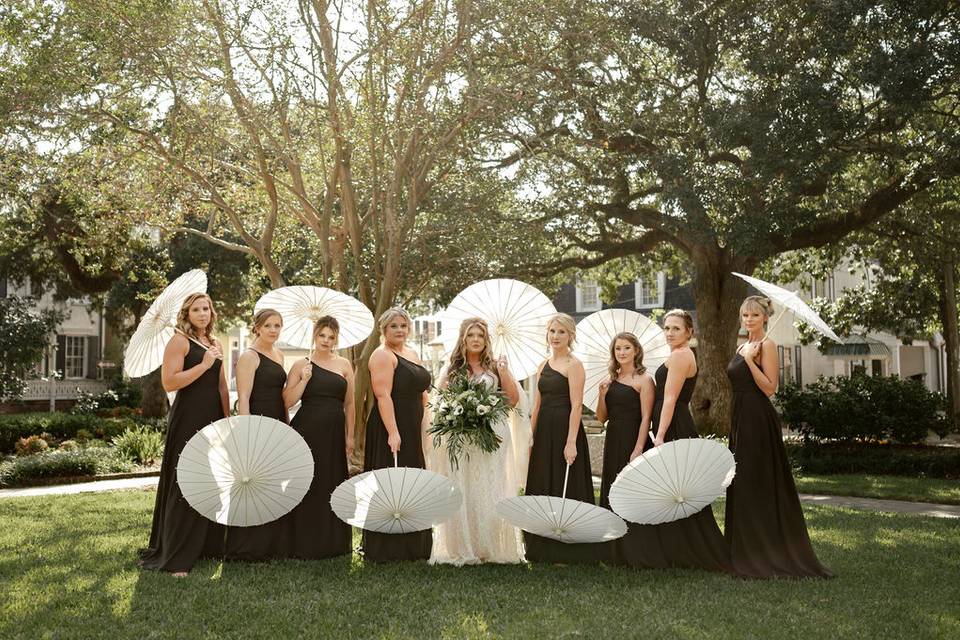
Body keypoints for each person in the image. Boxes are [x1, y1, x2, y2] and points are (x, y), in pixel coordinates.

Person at [725, 296, 833, 578]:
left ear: (765, 318)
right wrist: (745, 356)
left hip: (757, 419)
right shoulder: (742, 345)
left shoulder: (767, 346)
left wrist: (750, 362)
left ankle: (765, 553)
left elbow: (770, 388)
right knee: (741, 481)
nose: (748, 319)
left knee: (756, 480)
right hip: (739, 417)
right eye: (744, 315)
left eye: (754, 315)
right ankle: (742, 550)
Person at [139, 293, 228, 576]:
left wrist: (226, 420)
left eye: (206, 308)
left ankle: (206, 547)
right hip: (188, 417)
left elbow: (222, 386)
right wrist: (202, 366)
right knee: (185, 482)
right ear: (187, 314)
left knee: (210, 482)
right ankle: (177, 557)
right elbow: (169, 381)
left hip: (213, 418)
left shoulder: (214, 343)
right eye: (196, 309)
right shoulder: (179, 341)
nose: (202, 313)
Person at [641, 309, 732, 573]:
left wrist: (659, 436)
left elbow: (670, 399)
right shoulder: (676, 354)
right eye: (666, 327)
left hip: (674, 425)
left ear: (689, 332)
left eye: (676, 328)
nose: (669, 332)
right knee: (673, 488)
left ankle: (693, 550)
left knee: (680, 488)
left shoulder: (681, 355)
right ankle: (674, 547)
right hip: (668, 421)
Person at [429, 318, 525, 565]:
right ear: (463, 338)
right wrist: (455, 411)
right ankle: (463, 544)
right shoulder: (452, 370)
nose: (475, 339)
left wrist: (503, 372)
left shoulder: (495, 367)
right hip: (461, 437)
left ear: (486, 340)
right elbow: (438, 403)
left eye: (480, 335)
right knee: (464, 487)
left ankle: (489, 546)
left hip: (492, 435)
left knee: (490, 487)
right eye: (471, 335)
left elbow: (512, 400)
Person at [524, 313, 599, 564]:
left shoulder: (574, 365)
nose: (555, 336)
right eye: (552, 331)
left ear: (570, 336)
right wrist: (530, 437)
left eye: (561, 332)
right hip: (544, 431)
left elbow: (577, 406)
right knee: (542, 481)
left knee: (565, 486)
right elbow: (537, 404)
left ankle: (569, 550)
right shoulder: (542, 364)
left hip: (565, 430)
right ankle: (541, 548)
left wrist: (570, 442)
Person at [361, 307, 433, 562]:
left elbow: (422, 390)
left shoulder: (411, 353)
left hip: (412, 426)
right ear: (383, 329)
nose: (400, 330)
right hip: (390, 425)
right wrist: (393, 432)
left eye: (403, 325)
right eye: (394, 326)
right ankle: (386, 549)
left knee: (412, 482)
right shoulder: (382, 356)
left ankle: (414, 546)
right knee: (390, 484)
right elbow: (382, 396)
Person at [283, 315, 354, 560]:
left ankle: (333, 543)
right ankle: (302, 542)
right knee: (307, 483)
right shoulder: (300, 364)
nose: (326, 340)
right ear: (315, 335)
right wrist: (304, 380)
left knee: (331, 482)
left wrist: (350, 436)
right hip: (307, 430)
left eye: (331, 337)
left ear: (336, 339)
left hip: (334, 433)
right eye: (322, 335)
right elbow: (287, 401)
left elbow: (351, 403)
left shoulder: (344, 364)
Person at [224, 308, 290, 561]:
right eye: (269, 325)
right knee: (250, 482)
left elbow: (281, 396)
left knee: (271, 484)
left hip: (277, 424)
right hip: (256, 425)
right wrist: (247, 433)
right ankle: (244, 548)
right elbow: (243, 398)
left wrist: (285, 424)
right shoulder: (249, 357)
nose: (273, 330)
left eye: (277, 325)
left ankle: (269, 544)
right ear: (257, 328)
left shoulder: (279, 354)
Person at [595, 332, 655, 566]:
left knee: (633, 493)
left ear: (636, 351)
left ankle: (636, 550)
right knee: (612, 492)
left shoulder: (644, 380)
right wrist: (602, 396)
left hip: (634, 439)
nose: (621, 352)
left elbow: (646, 418)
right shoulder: (609, 381)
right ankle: (613, 551)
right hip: (613, 439)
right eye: (618, 348)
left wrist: (638, 448)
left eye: (626, 348)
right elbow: (601, 418)